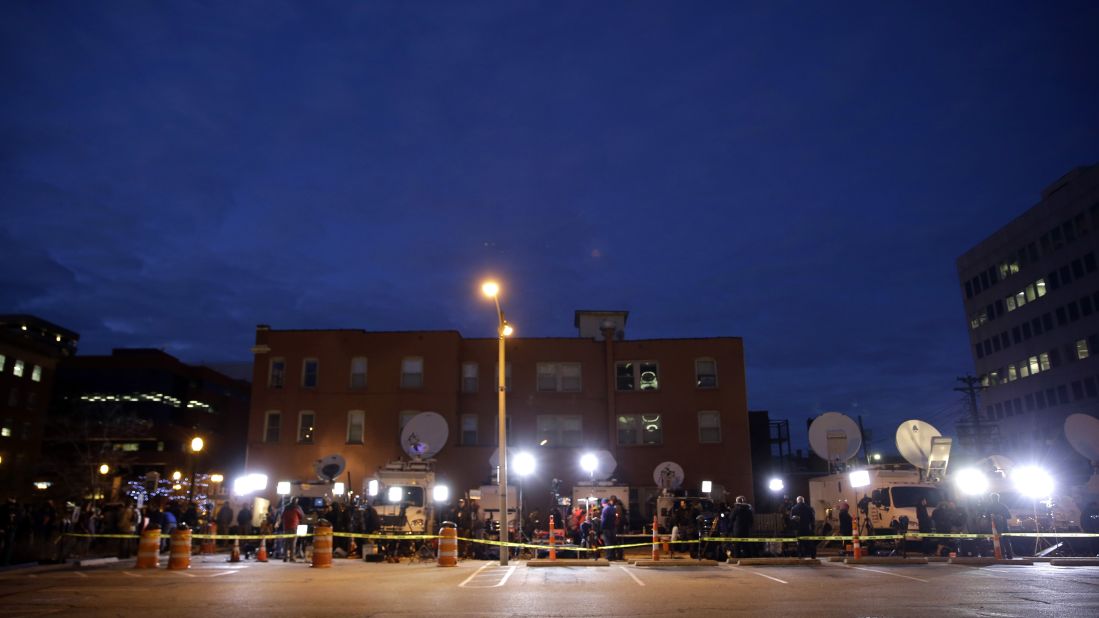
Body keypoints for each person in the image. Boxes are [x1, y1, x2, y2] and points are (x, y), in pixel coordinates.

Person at [986, 493, 1013, 558]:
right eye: (993, 498)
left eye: (995, 498)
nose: (994, 499)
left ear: (998, 498)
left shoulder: (1002, 506)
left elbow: (1009, 516)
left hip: (1003, 527)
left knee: (1005, 541)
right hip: (995, 528)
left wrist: (1001, 516)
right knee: (999, 541)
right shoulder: (990, 507)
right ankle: (1003, 555)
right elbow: (987, 517)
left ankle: (1008, 555)